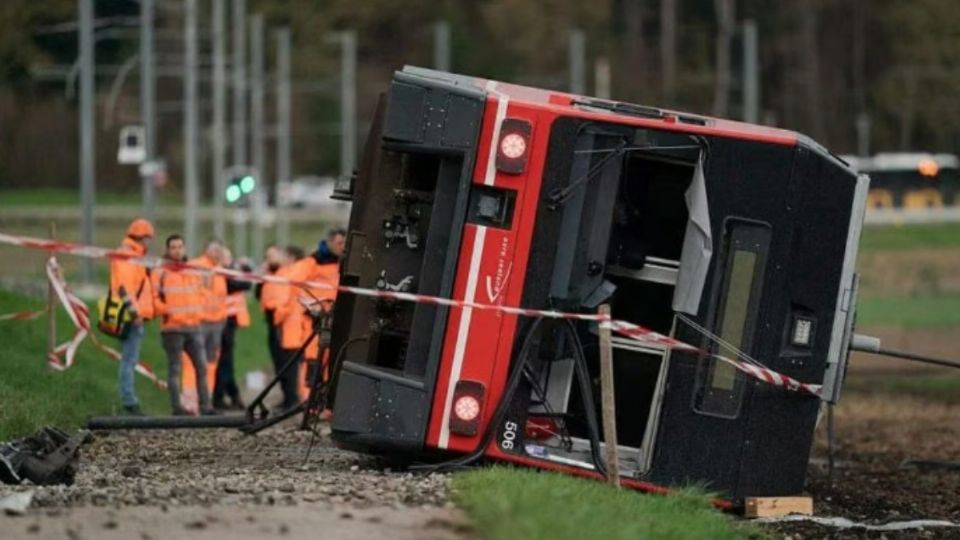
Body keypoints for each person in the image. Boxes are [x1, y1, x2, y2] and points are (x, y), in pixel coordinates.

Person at [152, 235, 213, 415]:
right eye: (173, 247)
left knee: (201, 367)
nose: (177, 250)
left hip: (193, 326)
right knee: (175, 370)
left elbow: (201, 292)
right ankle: (176, 407)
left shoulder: (191, 270)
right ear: (167, 250)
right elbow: (154, 298)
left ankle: (206, 406)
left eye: (180, 247)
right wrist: (168, 311)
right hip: (172, 328)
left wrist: (198, 311)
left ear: (184, 248)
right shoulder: (160, 271)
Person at [110, 218, 156, 416]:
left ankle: (129, 398)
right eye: (148, 238)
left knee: (129, 358)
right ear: (141, 237)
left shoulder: (133, 256)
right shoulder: (129, 257)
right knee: (129, 359)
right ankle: (129, 400)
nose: (150, 243)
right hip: (131, 316)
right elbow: (124, 287)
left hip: (131, 315)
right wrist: (134, 313)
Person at [188, 240, 228, 398]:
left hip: (217, 322)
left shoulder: (219, 270)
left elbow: (220, 297)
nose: (217, 253)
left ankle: (207, 397)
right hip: (201, 321)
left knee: (212, 361)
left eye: (220, 250)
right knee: (197, 360)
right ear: (205, 250)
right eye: (214, 250)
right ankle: (192, 397)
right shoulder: (197, 266)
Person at [213, 249, 252, 410]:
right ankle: (221, 397)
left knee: (226, 361)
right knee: (225, 362)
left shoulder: (226, 273)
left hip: (229, 322)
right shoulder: (221, 275)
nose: (230, 259)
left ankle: (230, 396)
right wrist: (246, 271)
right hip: (223, 322)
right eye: (227, 257)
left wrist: (244, 269)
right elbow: (245, 284)